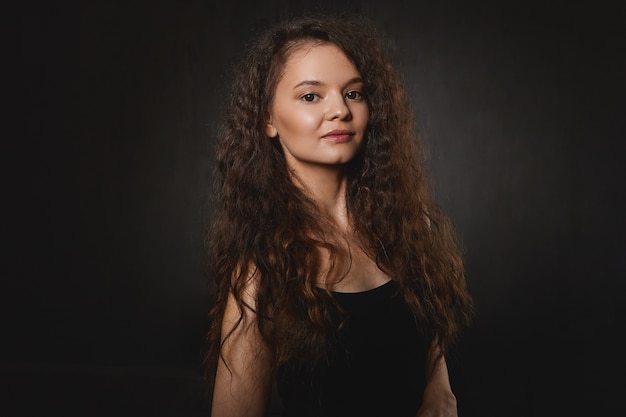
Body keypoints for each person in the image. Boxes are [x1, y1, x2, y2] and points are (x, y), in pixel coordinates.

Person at [203, 12, 474, 417]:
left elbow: (428, 343)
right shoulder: (263, 271)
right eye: (311, 96)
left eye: (353, 93)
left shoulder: (412, 224)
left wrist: (441, 391)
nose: (340, 112)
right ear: (268, 120)